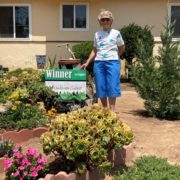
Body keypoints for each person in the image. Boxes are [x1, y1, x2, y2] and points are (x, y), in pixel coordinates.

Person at [81, 9, 125, 112]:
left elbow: (122, 47)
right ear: (100, 21)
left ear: (111, 21)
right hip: (99, 63)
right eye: (103, 19)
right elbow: (95, 49)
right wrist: (87, 62)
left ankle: (112, 110)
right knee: (100, 86)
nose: (105, 21)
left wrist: (115, 55)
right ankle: (105, 109)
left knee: (112, 85)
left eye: (107, 19)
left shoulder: (116, 33)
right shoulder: (97, 34)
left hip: (112, 62)